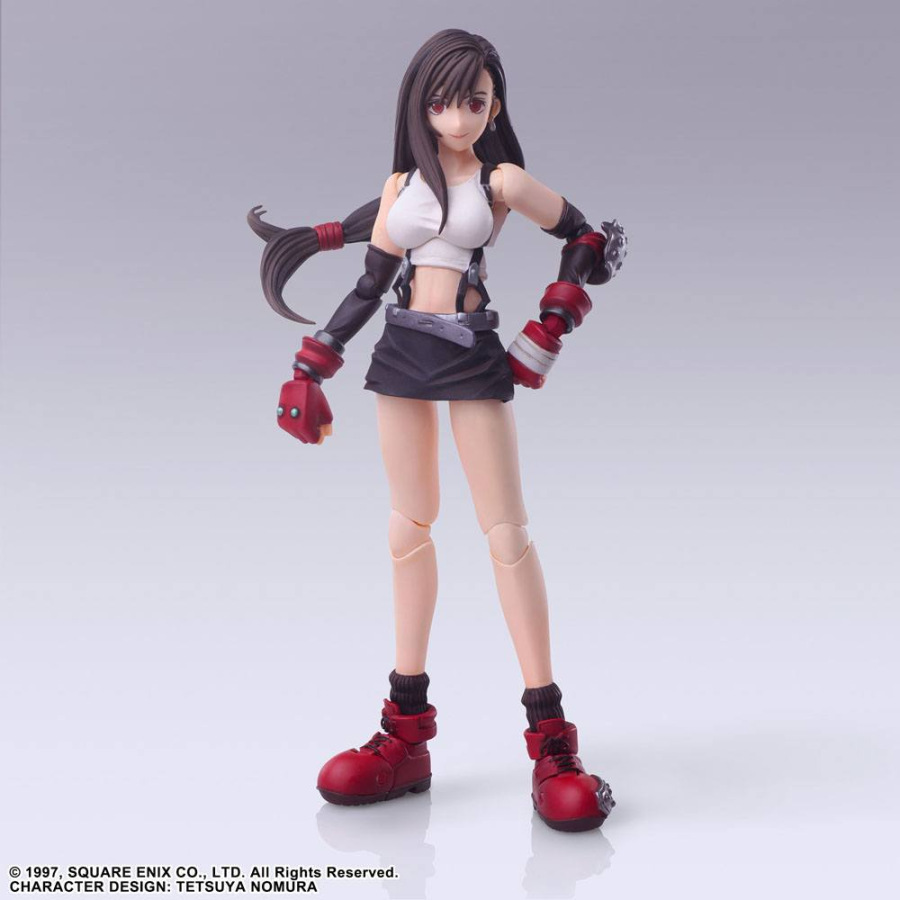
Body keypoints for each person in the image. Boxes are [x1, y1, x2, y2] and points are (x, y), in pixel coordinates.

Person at [248, 28, 626, 832]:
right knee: (407, 528)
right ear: (420, 106)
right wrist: (312, 364)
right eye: (443, 103)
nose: (458, 118)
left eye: (475, 102)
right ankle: (405, 735)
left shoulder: (501, 181)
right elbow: (369, 284)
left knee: (506, 534)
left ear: (495, 106)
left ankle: (552, 744)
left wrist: (552, 323)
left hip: (471, 352)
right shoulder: (400, 186)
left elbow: (586, 238)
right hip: (401, 353)